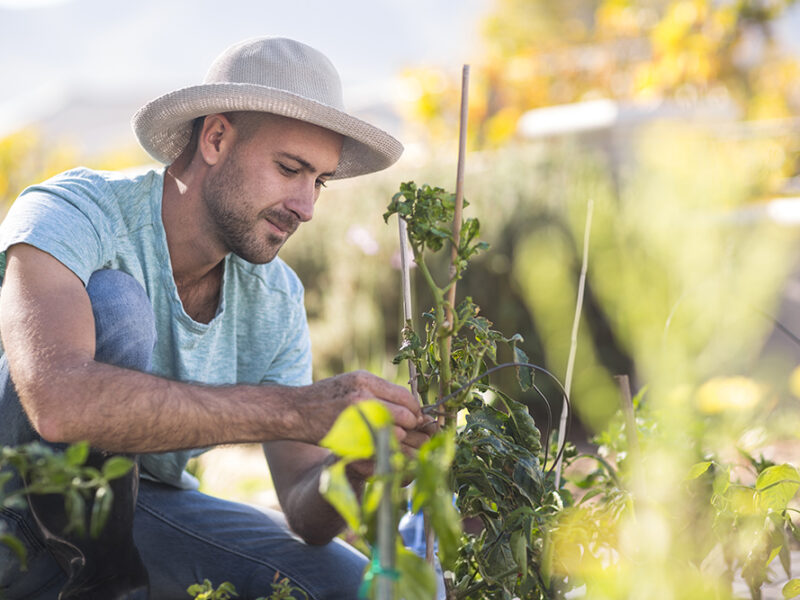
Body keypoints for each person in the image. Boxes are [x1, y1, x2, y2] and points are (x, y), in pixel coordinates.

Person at [0, 36, 436, 600]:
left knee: (344, 585)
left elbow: (304, 509)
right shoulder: (74, 212)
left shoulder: (274, 297)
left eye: (318, 182)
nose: (306, 207)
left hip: (139, 506)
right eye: (289, 169)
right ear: (216, 138)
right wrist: (294, 410)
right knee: (116, 305)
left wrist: (357, 465)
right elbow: (56, 403)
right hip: (14, 497)